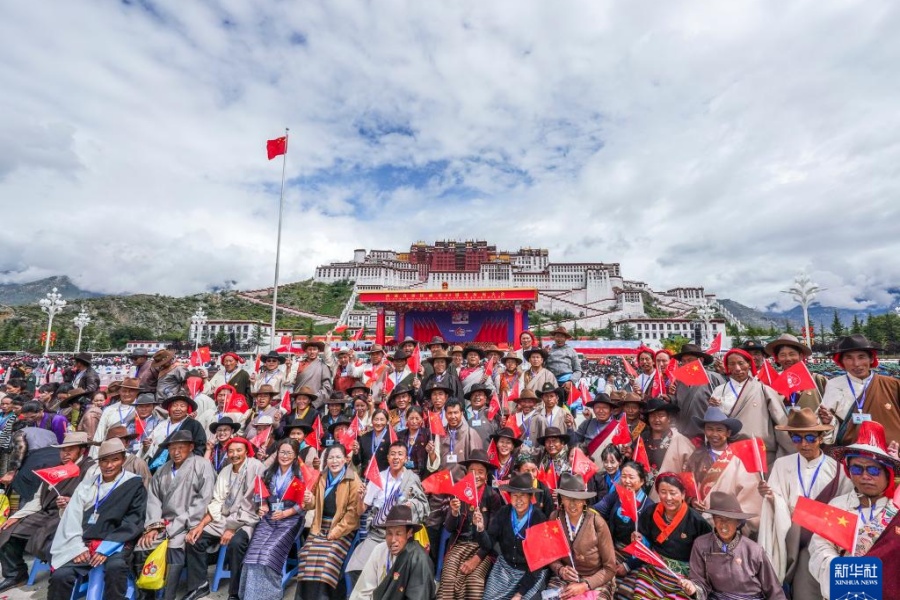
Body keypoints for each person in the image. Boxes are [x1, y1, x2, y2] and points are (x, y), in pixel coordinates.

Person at [757, 408, 853, 599]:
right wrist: (772, 498)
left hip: (825, 537)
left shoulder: (837, 469)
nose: (803, 444)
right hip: (793, 538)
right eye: (796, 438)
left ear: (820, 438)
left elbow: (845, 505)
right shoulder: (782, 464)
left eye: (810, 438)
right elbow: (778, 499)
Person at [47, 438, 148, 600]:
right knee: (61, 575)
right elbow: (72, 516)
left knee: (116, 567)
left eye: (115, 460)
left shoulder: (133, 484)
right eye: (104, 461)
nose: (109, 466)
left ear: (123, 459)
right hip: (84, 541)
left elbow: (134, 519)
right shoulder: (88, 483)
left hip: (117, 541)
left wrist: (106, 548)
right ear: (99, 462)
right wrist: (76, 548)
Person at [809, 421, 900, 599]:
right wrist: (848, 574)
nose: (865, 476)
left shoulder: (896, 507)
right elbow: (820, 549)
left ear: (887, 472)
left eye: (873, 469)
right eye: (857, 468)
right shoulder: (838, 506)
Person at [0, 432, 96, 593]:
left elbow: (94, 498)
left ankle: (62, 576)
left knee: (48, 538)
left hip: (70, 516)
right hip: (46, 511)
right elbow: (38, 499)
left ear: (82, 451)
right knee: (6, 531)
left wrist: (70, 502)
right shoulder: (56, 468)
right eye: (63, 450)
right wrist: (17, 516)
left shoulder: (90, 468)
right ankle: (15, 573)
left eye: (70, 450)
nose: (65, 454)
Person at [135, 430, 216, 600]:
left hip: (189, 523)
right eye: (172, 448)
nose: (176, 452)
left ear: (191, 447)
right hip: (163, 523)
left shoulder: (202, 465)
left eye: (181, 448)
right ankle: (146, 593)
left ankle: (167, 595)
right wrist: (154, 526)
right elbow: (154, 499)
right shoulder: (163, 470)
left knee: (174, 547)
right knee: (142, 546)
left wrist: (178, 524)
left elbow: (203, 500)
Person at [183, 436, 264, 600]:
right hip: (225, 518)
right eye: (231, 451)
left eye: (239, 450)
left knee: (236, 544)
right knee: (194, 539)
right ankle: (199, 585)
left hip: (247, 519)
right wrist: (201, 525)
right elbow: (217, 500)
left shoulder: (256, 467)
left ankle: (235, 592)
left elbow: (254, 504)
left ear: (247, 451)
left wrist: (233, 528)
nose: (235, 454)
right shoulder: (226, 471)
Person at [618, 473, 712, 600]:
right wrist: (640, 540)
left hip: (682, 578)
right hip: (653, 570)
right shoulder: (650, 512)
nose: (668, 497)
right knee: (626, 591)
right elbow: (645, 543)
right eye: (663, 492)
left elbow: (706, 554)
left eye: (673, 493)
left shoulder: (698, 522)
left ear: (683, 494)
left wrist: (695, 583)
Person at [346, 441, 429, 581]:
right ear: (388, 457)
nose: (396, 457)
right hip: (377, 533)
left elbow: (424, 507)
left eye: (400, 454)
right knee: (356, 567)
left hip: (400, 535)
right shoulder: (379, 477)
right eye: (393, 454)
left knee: (394, 573)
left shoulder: (412, 479)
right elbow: (361, 511)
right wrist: (360, 499)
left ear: (406, 459)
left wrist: (412, 505)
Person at [683, 491, 786, 600]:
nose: (723, 524)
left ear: (738, 522)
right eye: (719, 518)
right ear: (713, 519)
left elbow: (774, 590)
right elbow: (698, 581)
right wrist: (693, 588)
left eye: (729, 519)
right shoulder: (701, 544)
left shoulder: (754, 550)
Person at [240, 438, 307, 600]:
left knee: (268, 553)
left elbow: (303, 504)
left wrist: (287, 513)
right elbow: (260, 494)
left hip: (291, 519)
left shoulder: (300, 475)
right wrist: (262, 505)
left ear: (296, 455)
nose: (284, 456)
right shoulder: (268, 473)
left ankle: (268, 595)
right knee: (253, 553)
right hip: (270, 518)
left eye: (289, 453)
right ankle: (249, 595)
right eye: (282, 452)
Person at [296, 443, 362, 600]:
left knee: (327, 558)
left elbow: (353, 514)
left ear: (345, 459)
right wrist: (309, 500)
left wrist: (336, 532)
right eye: (331, 457)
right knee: (307, 556)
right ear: (326, 461)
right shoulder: (321, 476)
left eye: (338, 457)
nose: (334, 461)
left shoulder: (353, 479)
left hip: (342, 528)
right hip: (320, 525)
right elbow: (312, 504)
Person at [436, 449, 503, 600]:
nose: (476, 475)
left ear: (486, 476)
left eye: (480, 471)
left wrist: (476, 559)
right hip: (459, 545)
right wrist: (453, 513)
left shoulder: (493, 496)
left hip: (483, 549)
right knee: (448, 581)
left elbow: (493, 536)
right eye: (472, 470)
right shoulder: (459, 492)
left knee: (474, 581)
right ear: (466, 473)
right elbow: (449, 528)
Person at [708, 348, 791, 467]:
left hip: (761, 450)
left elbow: (781, 421)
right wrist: (712, 408)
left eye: (741, 363)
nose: (737, 368)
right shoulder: (719, 391)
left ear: (749, 364)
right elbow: (712, 422)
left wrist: (788, 449)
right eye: (732, 364)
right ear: (727, 367)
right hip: (730, 450)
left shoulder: (764, 389)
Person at [684, 408, 762, 535]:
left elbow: (750, 493)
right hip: (700, 520)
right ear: (704, 431)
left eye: (719, 430)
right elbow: (687, 487)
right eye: (709, 429)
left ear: (728, 433)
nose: (714, 434)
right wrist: (692, 500)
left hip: (730, 519)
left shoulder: (739, 458)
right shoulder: (696, 456)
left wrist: (735, 516)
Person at [819, 333, 900, 446]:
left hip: (891, 453)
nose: (856, 364)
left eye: (861, 357)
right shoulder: (834, 385)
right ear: (842, 361)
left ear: (871, 358)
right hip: (851, 454)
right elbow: (826, 423)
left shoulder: (892, 384)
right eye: (849, 358)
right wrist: (829, 420)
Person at [546, 473, 617, 600]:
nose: (572, 504)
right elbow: (551, 555)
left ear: (584, 501)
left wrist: (585, 585)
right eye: (567, 498)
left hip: (595, 579)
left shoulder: (597, 523)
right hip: (564, 579)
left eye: (577, 499)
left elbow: (610, 568)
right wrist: (561, 570)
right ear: (561, 499)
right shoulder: (555, 517)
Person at [479, 472, 549, 600]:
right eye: (514, 495)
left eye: (522, 496)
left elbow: (538, 562)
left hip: (529, 572)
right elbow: (488, 544)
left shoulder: (539, 518)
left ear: (530, 497)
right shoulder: (503, 512)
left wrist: (519, 594)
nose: (518, 500)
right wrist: (480, 530)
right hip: (504, 569)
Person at [349, 504, 435, 600]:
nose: (393, 539)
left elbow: (419, 595)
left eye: (398, 534)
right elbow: (364, 589)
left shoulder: (419, 559)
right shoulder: (380, 550)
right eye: (389, 533)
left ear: (409, 533)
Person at [594, 460, 653, 590]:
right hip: (613, 548)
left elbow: (649, 544)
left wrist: (628, 565)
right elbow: (597, 510)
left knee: (626, 589)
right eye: (624, 476)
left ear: (642, 481)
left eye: (631, 477)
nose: (626, 481)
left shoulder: (649, 506)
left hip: (635, 556)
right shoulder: (616, 495)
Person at [641, 397, 696, 498]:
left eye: (661, 415)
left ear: (669, 418)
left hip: (669, 496)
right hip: (642, 494)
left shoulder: (681, 440)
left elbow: (691, 471)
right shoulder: (642, 438)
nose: (656, 419)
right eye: (652, 416)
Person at [670, 344, 725, 439]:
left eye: (690, 360)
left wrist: (720, 402)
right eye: (684, 361)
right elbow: (678, 404)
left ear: (701, 360)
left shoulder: (714, 378)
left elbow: (728, 400)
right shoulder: (679, 381)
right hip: (684, 433)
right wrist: (669, 398)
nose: (686, 364)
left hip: (708, 434)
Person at [765, 333, 827, 411]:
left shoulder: (818, 380)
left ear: (800, 356)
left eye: (792, 354)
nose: (788, 359)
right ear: (777, 358)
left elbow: (831, 410)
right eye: (783, 355)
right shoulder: (772, 382)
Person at [147, 391, 207, 470]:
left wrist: (188, 463)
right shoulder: (161, 425)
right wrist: (147, 446)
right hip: (156, 467)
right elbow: (152, 444)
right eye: (174, 406)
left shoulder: (194, 425)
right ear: (169, 408)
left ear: (187, 409)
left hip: (182, 466)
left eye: (182, 406)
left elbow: (200, 447)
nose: (178, 409)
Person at [92, 377, 142, 449]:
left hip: (134, 451)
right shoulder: (109, 410)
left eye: (131, 391)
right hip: (111, 451)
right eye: (124, 391)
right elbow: (99, 434)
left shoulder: (142, 409)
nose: (127, 394)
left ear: (137, 392)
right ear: (120, 392)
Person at [433, 398, 483, 469]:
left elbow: (476, 463)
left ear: (461, 413)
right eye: (450, 413)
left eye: (456, 412)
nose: (453, 416)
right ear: (445, 415)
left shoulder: (471, 433)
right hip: (443, 478)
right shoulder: (440, 433)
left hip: (464, 478)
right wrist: (431, 452)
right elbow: (435, 462)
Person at [574, 392, 621, 463]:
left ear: (611, 410)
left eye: (605, 408)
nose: (601, 411)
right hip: (589, 466)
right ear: (593, 409)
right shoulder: (587, 424)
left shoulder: (618, 426)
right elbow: (575, 443)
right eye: (597, 407)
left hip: (611, 467)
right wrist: (569, 427)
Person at [355, 408, 392, 472]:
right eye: (376, 419)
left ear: (387, 421)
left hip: (385, 476)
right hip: (367, 476)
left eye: (382, 420)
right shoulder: (364, 437)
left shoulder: (391, 437)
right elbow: (356, 462)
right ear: (372, 421)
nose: (378, 423)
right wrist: (355, 453)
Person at [546, 326, 582, 392]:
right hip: (550, 382)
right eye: (557, 336)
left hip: (567, 382)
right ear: (554, 337)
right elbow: (542, 368)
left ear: (565, 338)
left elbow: (578, 370)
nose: (559, 339)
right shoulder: (548, 350)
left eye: (562, 336)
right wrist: (544, 354)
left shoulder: (571, 351)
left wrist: (571, 381)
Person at [464, 382, 500, 447]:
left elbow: (497, 434)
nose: (477, 397)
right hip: (469, 452)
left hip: (487, 452)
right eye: (474, 395)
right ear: (470, 398)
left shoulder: (492, 413)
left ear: (485, 398)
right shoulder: (463, 414)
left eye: (480, 394)